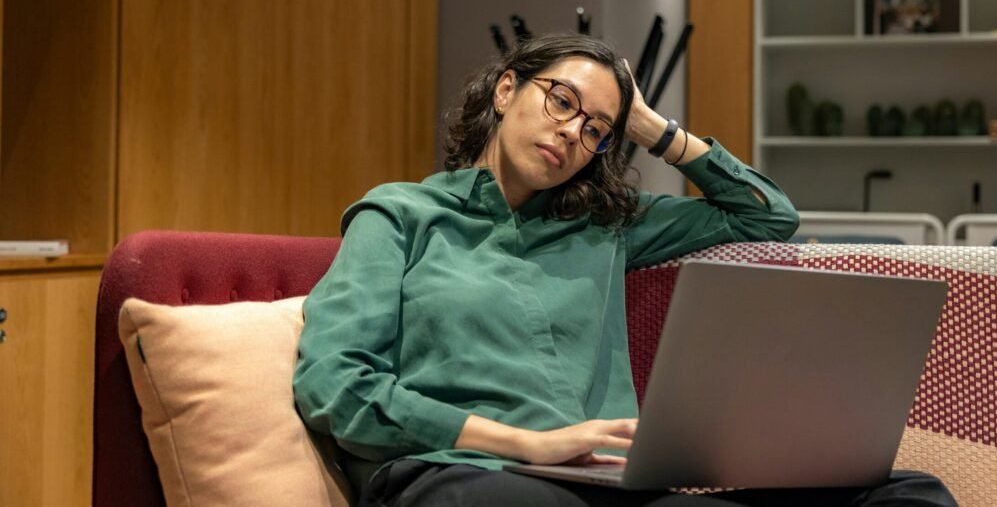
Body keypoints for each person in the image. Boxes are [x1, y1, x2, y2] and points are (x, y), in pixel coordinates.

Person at [293, 34, 956, 506]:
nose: (572, 133)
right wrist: (524, 443)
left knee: (906, 491)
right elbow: (334, 382)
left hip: (601, 478)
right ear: (505, 90)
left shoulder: (605, 225)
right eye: (562, 101)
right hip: (462, 472)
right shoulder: (400, 214)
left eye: (595, 129)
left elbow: (767, 217)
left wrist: (648, 125)